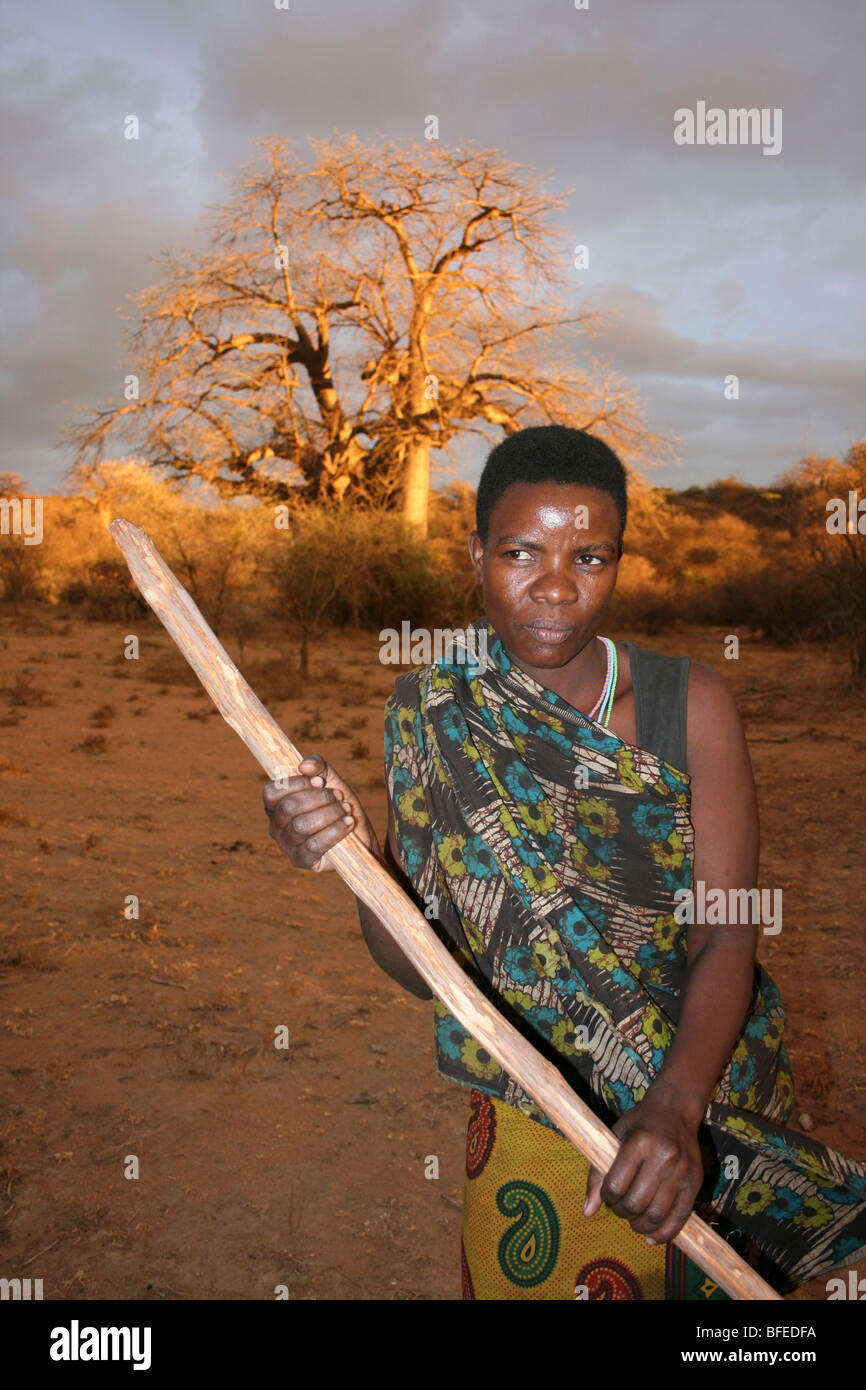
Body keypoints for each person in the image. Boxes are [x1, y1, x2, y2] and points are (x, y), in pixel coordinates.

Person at [262, 424, 866, 1300]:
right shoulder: (436, 707)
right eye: (520, 552)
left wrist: (675, 1106)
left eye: (590, 557)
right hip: (532, 1108)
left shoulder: (687, 706)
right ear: (475, 554)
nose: (554, 588)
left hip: (700, 1103)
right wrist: (354, 860)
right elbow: (421, 967)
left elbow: (725, 939)